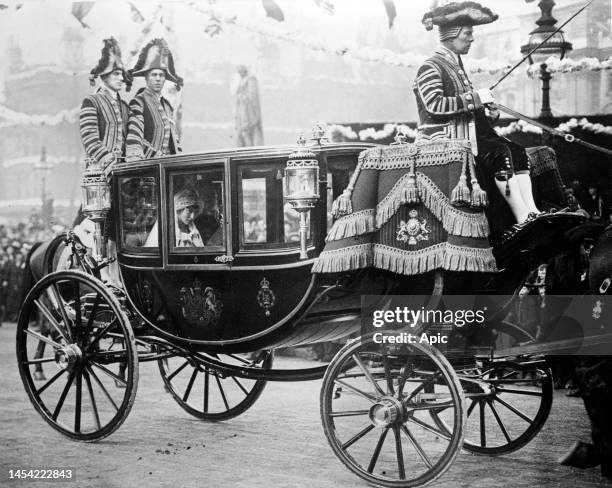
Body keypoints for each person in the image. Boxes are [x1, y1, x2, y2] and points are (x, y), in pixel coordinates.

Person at [414, 2, 541, 240]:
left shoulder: (457, 68)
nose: (472, 39)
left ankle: (532, 212)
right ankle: (522, 216)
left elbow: (468, 111)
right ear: (452, 34)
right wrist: (475, 98)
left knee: (517, 151)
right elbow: (435, 105)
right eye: (467, 34)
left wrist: (488, 115)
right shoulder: (430, 66)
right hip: (444, 140)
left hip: (467, 136)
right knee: (499, 151)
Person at [126, 38, 183, 162]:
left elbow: (175, 142)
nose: (158, 79)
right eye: (153, 75)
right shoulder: (138, 102)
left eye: (161, 75)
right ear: (146, 77)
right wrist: (156, 157)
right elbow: (135, 139)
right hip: (148, 167)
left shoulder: (167, 106)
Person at [79, 37, 131, 174]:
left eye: (122, 74)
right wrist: (110, 163)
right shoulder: (91, 102)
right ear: (104, 75)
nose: (121, 78)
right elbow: (90, 139)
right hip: (99, 174)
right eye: (116, 74)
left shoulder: (125, 107)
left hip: (124, 175)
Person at [235, 65, 263, 147]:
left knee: (247, 132)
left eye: (240, 70)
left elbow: (252, 95)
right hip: (241, 110)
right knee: (241, 133)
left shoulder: (251, 79)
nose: (239, 72)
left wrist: (242, 97)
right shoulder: (241, 80)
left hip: (248, 111)